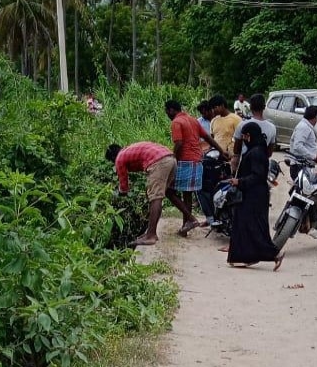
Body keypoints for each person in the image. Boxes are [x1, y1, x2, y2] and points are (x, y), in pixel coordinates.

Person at [106, 142, 201, 246]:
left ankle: (151, 235)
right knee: (168, 193)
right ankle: (191, 219)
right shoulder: (128, 149)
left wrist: (118, 194)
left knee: (155, 198)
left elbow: (124, 188)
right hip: (171, 159)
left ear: (112, 158)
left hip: (159, 162)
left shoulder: (119, 158)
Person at [226, 122, 285, 271]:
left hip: (255, 195)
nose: (244, 139)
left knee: (253, 227)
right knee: (244, 226)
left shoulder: (257, 152)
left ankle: (274, 254)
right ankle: (244, 257)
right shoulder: (256, 150)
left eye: (245, 136)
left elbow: (258, 176)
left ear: (250, 136)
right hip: (251, 194)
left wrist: (239, 181)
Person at [165, 100, 228, 234]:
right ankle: (185, 228)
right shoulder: (193, 120)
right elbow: (208, 138)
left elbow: (179, 143)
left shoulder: (176, 122)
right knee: (187, 194)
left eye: (167, 111)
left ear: (171, 110)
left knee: (169, 191)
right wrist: (221, 151)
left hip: (184, 162)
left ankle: (191, 219)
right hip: (197, 161)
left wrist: (172, 158)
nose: (167, 114)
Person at [231, 93, 277, 174]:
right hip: (262, 168)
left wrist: (234, 170)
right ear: (264, 107)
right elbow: (269, 153)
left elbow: (236, 151)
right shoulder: (272, 127)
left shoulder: (242, 125)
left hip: (245, 167)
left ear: (251, 107)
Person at [289, 105, 317, 180]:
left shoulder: (306, 126)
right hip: (300, 166)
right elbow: (298, 146)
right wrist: (314, 156)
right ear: (316, 117)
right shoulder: (304, 127)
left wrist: (315, 156)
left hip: (305, 166)